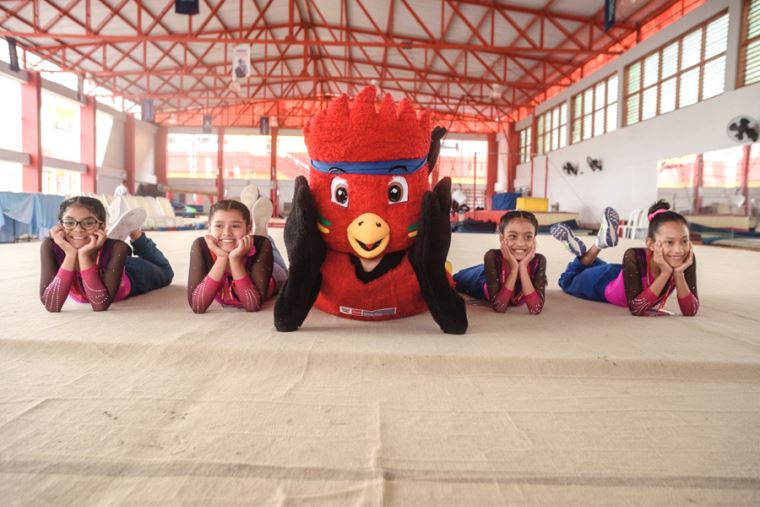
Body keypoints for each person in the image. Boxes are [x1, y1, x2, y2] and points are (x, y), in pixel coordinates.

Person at [550, 201, 698, 316]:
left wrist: (678, 274)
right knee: (566, 280)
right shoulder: (633, 255)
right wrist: (666, 273)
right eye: (669, 242)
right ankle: (597, 245)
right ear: (651, 244)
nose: (679, 250)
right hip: (603, 282)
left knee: (586, 266)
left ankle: (597, 245)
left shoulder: (685, 260)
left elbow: (690, 311)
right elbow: (637, 308)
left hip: (624, 276)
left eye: (684, 241)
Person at [40, 196, 174, 312]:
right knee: (112, 256)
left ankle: (135, 233)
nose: (78, 229)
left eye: (88, 223)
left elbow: (99, 305)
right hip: (108, 263)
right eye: (69, 222)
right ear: (59, 226)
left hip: (132, 275)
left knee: (166, 272)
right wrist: (70, 254)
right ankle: (126, 234)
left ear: (102, 227)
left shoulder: (118, 247)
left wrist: (84, 256)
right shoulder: (50, 247)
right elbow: (51, 305)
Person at [187, 199, 287, 313]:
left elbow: (252, 305)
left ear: (248, 229)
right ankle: (249, 218)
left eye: (235, 226)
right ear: (209, 228)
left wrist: (235, 261)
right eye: (219, 225)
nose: (226, 232)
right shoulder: (201, 245)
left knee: (269, 246)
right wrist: (222, 258)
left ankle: (261, 229)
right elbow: (197, 306)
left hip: (273, 271)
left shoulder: (261, 245)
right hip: (242, 242)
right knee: (255, 241)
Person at [453, 211, 547, 314]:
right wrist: (514, 269)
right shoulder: (492, 256)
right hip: (479, 276)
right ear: (502, 238)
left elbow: (536, 309)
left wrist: (523, 268)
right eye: (513, 236)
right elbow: (499, 307)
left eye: (528, 237)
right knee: (455, 279)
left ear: (534, 239)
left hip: (492, 272)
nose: (520, 243)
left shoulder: (539, 261)